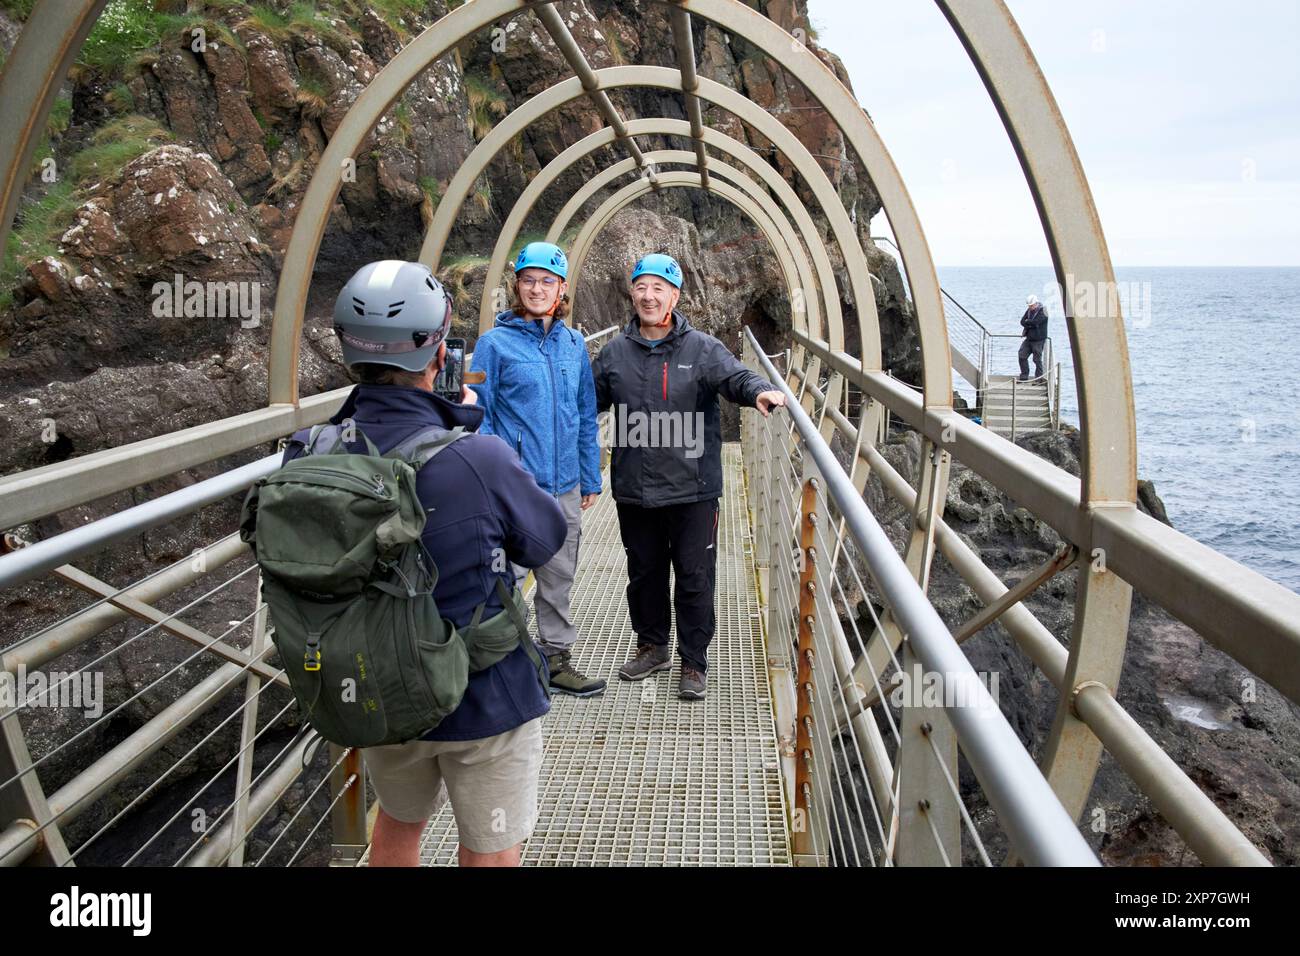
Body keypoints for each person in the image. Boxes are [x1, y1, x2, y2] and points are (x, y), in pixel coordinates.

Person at [291, 259, 567, 867]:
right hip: (483, 695)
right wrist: (464, 422)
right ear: (438, 355)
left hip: (380, 689)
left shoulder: (309, 452)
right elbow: (545, 539)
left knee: (397, 822)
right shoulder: (480, 458)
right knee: (491, 847)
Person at [592, 253, 786, 700]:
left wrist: (759, 391)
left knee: (695, 576)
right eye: (642, 287)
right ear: (632, 293)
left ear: (675, 297)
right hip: (634, 487)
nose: (648, 295)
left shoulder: (700, 348)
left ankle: (693, 663)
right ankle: (652, 646)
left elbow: (735, 376)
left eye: (659, 288)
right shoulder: (614, 353)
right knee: (645, 573)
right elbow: (586, 403)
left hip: (693, 489)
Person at [469, 242, 605, 697]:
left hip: (565, 483)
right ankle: (504, 659)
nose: (537, 289)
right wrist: (490, 479)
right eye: (529, 280)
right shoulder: (493, 345)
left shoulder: (572, 343)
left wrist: (590, 475)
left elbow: (585, 412)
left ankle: (555, 659)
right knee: (503, 575)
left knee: (559, 574)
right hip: (514, 487)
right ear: (516, 286)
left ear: (562, 289)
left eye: (548, 281)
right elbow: (479, 415)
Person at [1018, 294, 1049, 381]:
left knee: (1037, 359)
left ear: (1036, 303)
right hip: (1029, 339)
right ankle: (1024, 376)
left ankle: (1039, 379)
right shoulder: (1028, 311)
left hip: (1039, 340)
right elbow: (1022, 321)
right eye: (1029, 305)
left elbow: (1036, 322)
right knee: (1022, 356)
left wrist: (1029, 322)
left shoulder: (1044, 311)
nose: (1030, 307)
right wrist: (1030, 323)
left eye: (1031, 305)